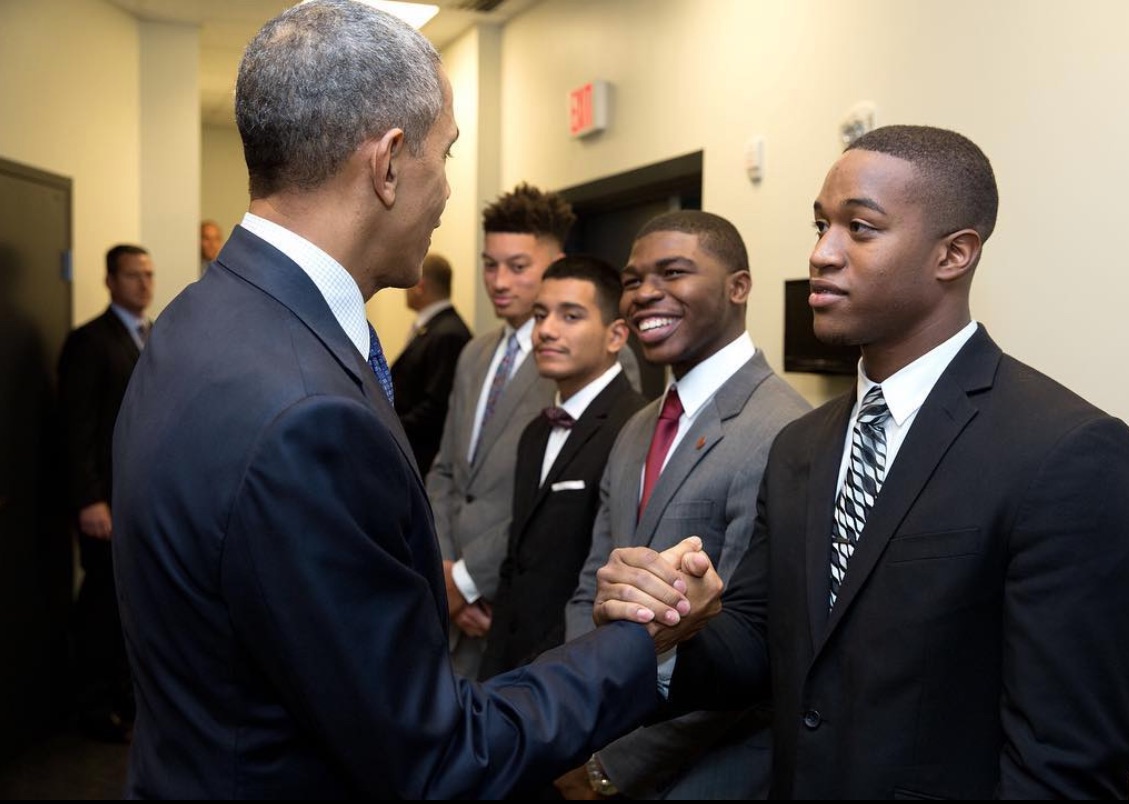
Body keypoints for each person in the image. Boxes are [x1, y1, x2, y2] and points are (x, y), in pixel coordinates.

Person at [109, 2, 718, 798]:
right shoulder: (304, 414)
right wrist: (643, 644)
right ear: (389, 164)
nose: (446, 192)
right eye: (446, 154)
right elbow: (435, 758)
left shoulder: (203, 316)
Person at [601, 125, 1129, 799]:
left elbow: (1067, 757)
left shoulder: (1065, 452)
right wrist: (674, 627)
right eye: (818, 225)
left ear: (953, 253)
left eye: (859, 229)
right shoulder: (801, 447)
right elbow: (759, 646)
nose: (820, 254)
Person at [560, 211, 812, 800]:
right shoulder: (639, 426)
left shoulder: (785, 430)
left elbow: (753, 650)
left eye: (673, 272)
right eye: (632, 279)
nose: (645, 294)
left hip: (704, 771)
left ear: (738, 287)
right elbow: (592, 589)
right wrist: (569, 725)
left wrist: (610, 769)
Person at [428, 182, 639, 679]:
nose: (499, 280)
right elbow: (447, 472)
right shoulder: (475, 353)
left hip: (523, 605)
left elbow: (568, 502)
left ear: (554, 264)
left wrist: (467, 580)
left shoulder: (593, 357)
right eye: (489, 264)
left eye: (518, 266)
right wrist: (442, 571)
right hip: (452, 595)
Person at [479, 255, 647, 682]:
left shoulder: (635, 427)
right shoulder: (535, 431)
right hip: (510, 670)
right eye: (540, 315)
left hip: (575, 669)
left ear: (615, 336)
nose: (546, 330)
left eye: (570, 316)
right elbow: (516, 562)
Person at [57, 243, 154, 743]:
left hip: (140, 501)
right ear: (110, 280)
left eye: (149, 274)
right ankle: (90, 708)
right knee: (99, 608)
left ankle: (124, 699)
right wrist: (88, 499)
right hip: (105, 504)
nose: (145, 284)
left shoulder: (149, 335)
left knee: (130, 606)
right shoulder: (90, 341)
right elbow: (77, 428)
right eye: (134, 276)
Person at [389, 251, 471, 477]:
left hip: (424, 458)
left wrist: (388, 426)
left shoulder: (448, 334)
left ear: (420, 285)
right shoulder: (432, 328)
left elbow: (437, 406)